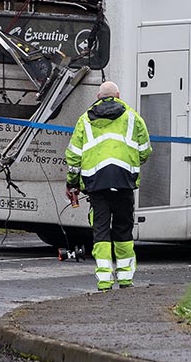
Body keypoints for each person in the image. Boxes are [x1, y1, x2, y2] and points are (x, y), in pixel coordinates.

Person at [64, 82, 152, 291]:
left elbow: (74, 156)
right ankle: (125, 279)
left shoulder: (85, 120)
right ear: (118, 96)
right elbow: (145, 151)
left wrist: (72, 183)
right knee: (124, 230)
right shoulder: (132, 117)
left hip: (96, 183)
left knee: (101, 231)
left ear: (98, 96)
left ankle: (104, 281)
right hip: (123, 181)